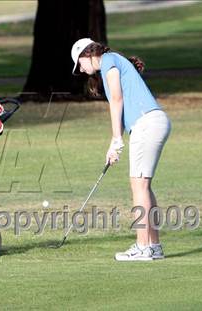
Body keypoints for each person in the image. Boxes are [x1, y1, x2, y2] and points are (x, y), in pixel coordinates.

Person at [71, 38, 171, 261]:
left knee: (139, 186)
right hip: (153, 122)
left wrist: (116, 139)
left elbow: (117, 99)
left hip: (147, 124)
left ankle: (143, 246)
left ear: (87, 54)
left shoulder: (108, 60)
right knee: (144, 186)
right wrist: (115, 143)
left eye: (79, 64)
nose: (81, 70)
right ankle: (153, 246)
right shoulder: (113, 61)